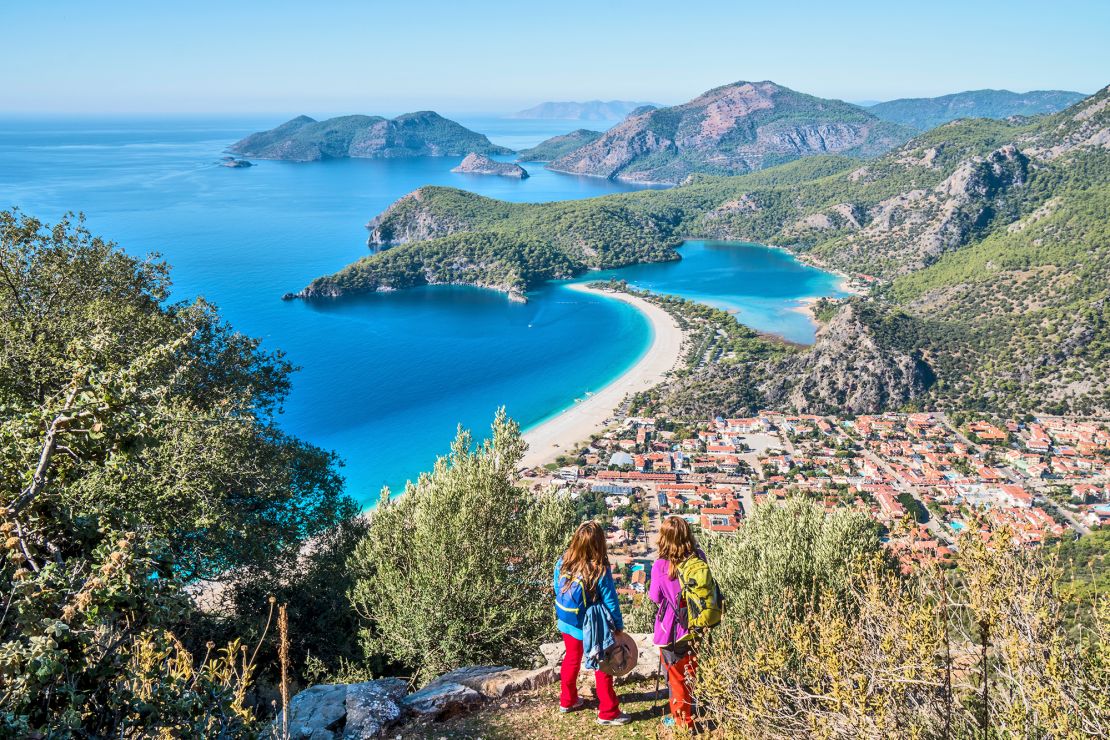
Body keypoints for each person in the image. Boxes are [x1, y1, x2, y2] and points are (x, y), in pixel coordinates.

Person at [554, 521, 631, 726]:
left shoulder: (563, 561)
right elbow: (611, 601)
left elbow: (557, 588)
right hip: (591, 625)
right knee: (603, 665)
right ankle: (608, 712)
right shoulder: (598, 569)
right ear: (599, 543)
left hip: (567, 620)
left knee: (571, 658)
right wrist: (618, 627)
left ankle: (567, 700)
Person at [649, 516, 715, 729]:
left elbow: (655, 597)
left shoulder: (661, 565)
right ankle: (687, 707)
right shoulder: (699, 557)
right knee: (690, 670)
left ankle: (682, 722)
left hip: (672, 630)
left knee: (676, 676)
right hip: (697, 624)